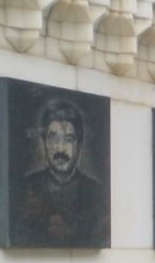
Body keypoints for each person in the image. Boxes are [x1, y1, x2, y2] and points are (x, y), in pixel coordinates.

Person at [14, 99, 108, 246]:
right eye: (53, 138)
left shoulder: (94, 191)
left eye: (68, 139)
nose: (60, 148)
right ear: (44, 143)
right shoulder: (28, 187)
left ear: (79, 145)